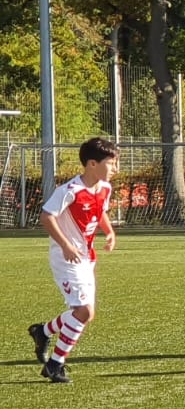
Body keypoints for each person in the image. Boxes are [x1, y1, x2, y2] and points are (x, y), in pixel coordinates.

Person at [27, 137, 119, 384]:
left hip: (86, 257)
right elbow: (47, 217)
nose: (115, 168)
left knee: (84, 313)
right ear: (92, 164)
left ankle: (42, 331)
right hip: (66, 258)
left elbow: (101, 212)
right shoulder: (70, 190)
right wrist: (66, 245)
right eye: (111, 163)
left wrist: (109, 232)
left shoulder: (104, 188)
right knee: (84, 311)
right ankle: (55, 365)